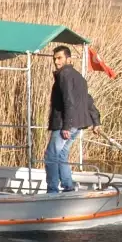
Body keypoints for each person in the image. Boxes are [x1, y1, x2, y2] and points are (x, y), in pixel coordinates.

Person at [45, 45, 90, 193]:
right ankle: (68, 186)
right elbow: (87, 101)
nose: (56, 62)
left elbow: (69, 101)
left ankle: (52, 190)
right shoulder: (79, 77)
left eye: (59, 58)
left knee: (51, 156)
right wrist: (95, 121)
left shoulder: (64, 75)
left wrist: (66, 126)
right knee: (62, 155)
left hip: (65, 124)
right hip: (77, 124)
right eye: (54, 58)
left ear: (68, 59)